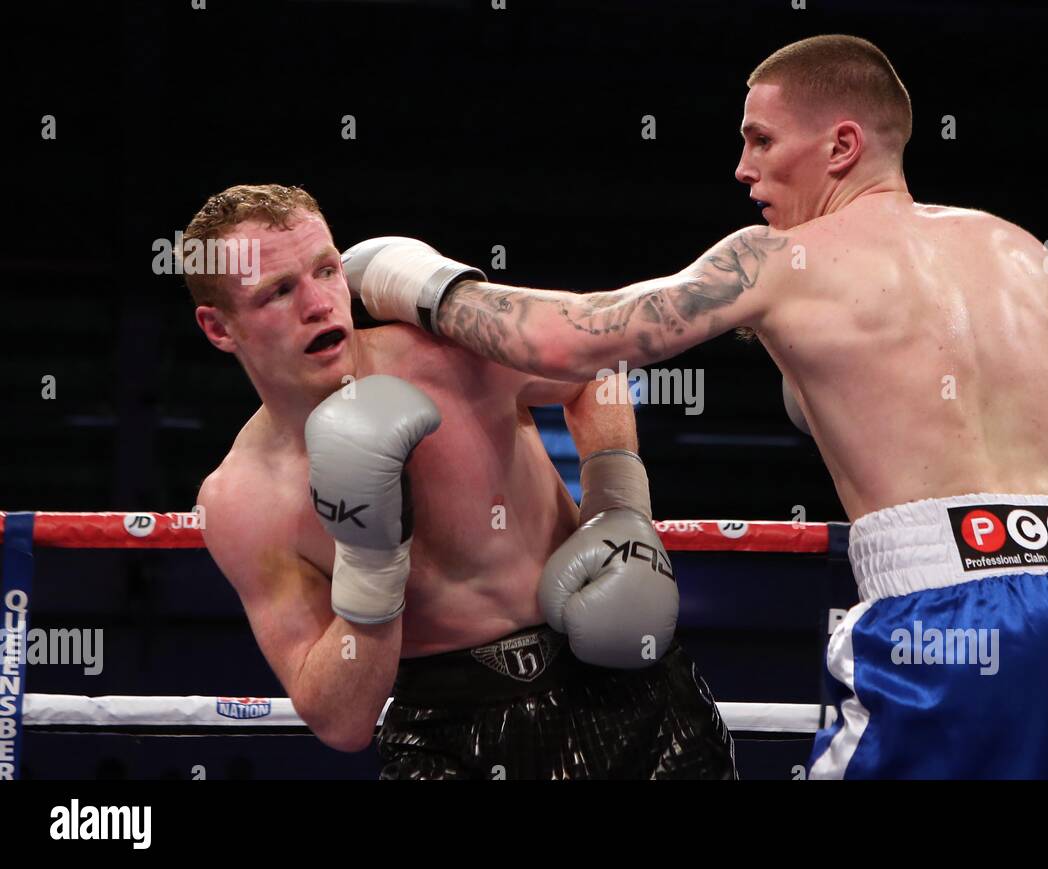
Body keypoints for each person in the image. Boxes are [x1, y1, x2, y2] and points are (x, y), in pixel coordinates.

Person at [342, 35, 1048, 778]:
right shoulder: (1014, 246)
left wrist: (417, 282)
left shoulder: (780, 258)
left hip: (949, 614)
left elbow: (578, 339)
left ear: (841, 144)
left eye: (760, 139)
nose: (743, 168)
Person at [187, 184, 735, 779]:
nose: (319, 304)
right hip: (447, 734)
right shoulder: (241, 501)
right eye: (279, 292)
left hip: (630, 692)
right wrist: (372, 566)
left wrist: (616, 501)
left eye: (325, 269)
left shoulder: (440, 353)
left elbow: (594, 365)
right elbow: (340, 720)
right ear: (220, 328)